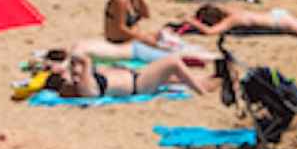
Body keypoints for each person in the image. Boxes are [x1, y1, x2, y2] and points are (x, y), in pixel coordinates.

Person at [47, 51, 215, 99]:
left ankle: (219, 80)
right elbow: (85, 61)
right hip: (139, 85)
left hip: (137, 77)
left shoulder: (83, 80)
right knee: (173, 62)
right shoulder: (85, 88)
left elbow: (83, 65)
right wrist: (78, 64)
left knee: (189, 80)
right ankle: (204, 94)